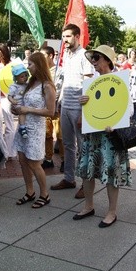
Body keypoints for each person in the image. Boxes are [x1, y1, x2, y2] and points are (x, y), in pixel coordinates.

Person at [73, 45, 132, 227]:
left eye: (96, 58)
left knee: (111, 173)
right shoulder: (92, 84)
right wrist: (83, 103)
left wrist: (115, 125)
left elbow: (128, 110)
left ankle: (112, 212)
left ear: (107, 60)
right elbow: (87, 114)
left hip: (110, 137)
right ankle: (89, 205)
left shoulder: (119, 81)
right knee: (87, 172)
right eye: (92, 59)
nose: (94, 62)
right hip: (93, 136)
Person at [50, 24, 94, 199]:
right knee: (67, 145)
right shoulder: (66, 55)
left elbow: (88, 84)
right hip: (66, 106)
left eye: (68, 36)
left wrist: (84, 113)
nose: (65, 40)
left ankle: (86, 184)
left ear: (77, 36)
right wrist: (59, 103)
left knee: (83, 147)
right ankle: (69, 178)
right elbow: (65, 81)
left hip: (79, 108)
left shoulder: (85, 55)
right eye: (63, 37)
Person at [13, 52, 56, 208]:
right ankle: (29, 191)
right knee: (23, 160)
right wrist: (17, 109)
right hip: (23, 126)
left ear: (38, 65)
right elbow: (23, 103)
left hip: (36, 128)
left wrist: (27, 109)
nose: (28, 67)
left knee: (34, 162)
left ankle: (44, 194)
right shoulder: (31, 83)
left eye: (30, 64)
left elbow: (50, 112)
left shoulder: (47, 85)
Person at [40, 45, 65, 170]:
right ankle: (48, 158)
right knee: (47, 134)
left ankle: (64, 160)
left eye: (43, 56)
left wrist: (53, 104)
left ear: (50, 56)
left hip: (56, 109)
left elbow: (59, 89)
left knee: (60, 135)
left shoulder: (60, 71)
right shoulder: (41, 72)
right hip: (45, 109)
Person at [8, 64, 29, 138]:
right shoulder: (14, 86)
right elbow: (9, 96)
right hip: (18, 103)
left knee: (23, 113)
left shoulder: (27, 84)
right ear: (16, 78)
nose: (25, 78)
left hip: (24, 103)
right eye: (22, 77)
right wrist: (12, 101)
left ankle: (22, 126)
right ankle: (22, 127)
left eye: (26, 75)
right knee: (22, 113)